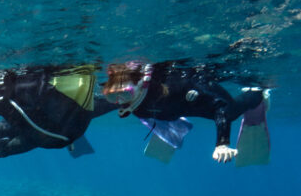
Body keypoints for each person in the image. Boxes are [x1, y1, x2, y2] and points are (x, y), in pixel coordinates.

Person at [103, 61, 270, 164]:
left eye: (125, 94)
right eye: (112, 96)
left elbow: (221, 107)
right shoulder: (133, 101)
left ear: (140, 84)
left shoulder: (174, 86)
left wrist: (222, 143)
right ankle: (174, 123)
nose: (120, 100)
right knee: (158, 113)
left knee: (231, 112)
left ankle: (256, 93)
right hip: (168, 111)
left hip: (195, 98)